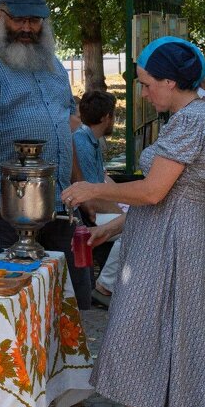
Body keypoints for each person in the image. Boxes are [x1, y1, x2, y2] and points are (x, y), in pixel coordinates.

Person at [62, 36, 205, 407]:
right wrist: (110, 230)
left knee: (129, 344)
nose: (143, 92)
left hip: (173, 252)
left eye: (147, 83)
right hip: (180, 245)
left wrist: (93, 190)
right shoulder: (191, 118)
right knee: (181, 343)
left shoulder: (190, 122)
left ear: (171, 82)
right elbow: (164, 200)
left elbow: (154, 194)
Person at [0, 0, 91, 309]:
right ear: (1, 15)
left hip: (58, 200)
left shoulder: (53, 63)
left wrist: (79, 181)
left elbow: (66, 124)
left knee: (64, 300)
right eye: (20, 19)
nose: (28, 28)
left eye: (35, 20)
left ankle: (63, 359)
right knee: (13, 298)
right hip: (7, 201)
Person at [72, 90, 127, 306]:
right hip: (87, 214)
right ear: (106, 118)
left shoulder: (90, 139)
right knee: (134, 228)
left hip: (98, 208)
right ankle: (104, 286)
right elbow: (90, 197)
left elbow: (102, 180)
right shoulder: (83, 143)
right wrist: (121, 213)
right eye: (114, 115)